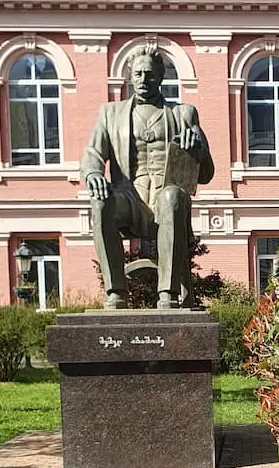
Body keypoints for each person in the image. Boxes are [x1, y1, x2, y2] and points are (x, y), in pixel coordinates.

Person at [81, 48, 214, 310]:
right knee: (99, 204)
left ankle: (168, 294)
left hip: (166, 198)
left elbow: (207, 175)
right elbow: (92, 152)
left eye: (150, 74)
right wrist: (93, 173)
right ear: (130, 76)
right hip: (128, 196)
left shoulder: (183, 114)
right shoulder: (110, 114)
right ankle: (116, 292)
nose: (143, 79)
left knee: (172, 196)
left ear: (161, 78)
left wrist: (198, 149)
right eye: (138, 73)